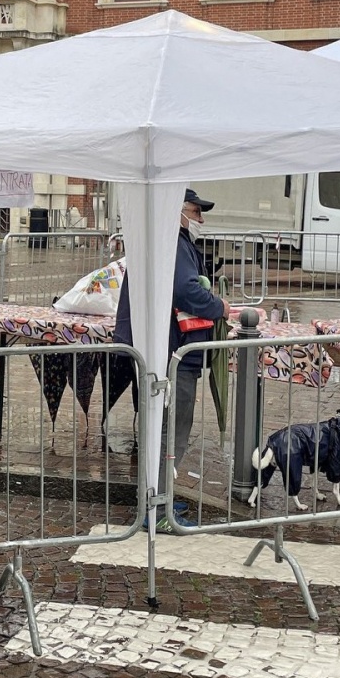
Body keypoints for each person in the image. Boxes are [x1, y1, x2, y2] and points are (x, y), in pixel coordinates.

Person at [111, 188, 231, 503]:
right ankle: (159, 504)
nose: (201, 220)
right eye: (196, 212)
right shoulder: (174, 243)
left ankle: (156, 497)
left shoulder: (162, 240)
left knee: (161, 428)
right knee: (171, 431)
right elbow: (186, 290)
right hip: (175, 352)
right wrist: (219, 306)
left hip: (163, 348)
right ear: (178, 211)